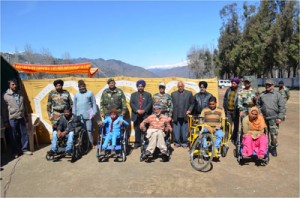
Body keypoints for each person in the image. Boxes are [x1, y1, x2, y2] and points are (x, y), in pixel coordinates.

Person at [2, 79, 32, 157]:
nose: (15, 86)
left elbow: (24, 105)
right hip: (12, 117)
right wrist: (5, 121)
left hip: (21, 116)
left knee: (24, 134)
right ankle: (15, 152)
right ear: (9, 85)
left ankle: (24, 149)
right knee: (13, 135)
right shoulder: (5, 95)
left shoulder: (20, 93)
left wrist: (26, 115)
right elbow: (4, 109)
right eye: (13, 84)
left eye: (15, 84)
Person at [257, 79, 285, 157]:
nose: (267, 86)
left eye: (269, 85)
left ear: (273, 85)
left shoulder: (277, 95)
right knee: (263, 135)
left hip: (274, 119)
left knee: (274, 135)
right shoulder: (262, 94)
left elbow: (282, 107)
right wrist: (260, 114)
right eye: (266, 84)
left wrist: (280, 117)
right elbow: (258, 105)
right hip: (263, 119)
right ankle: (263, 148)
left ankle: (273, 148)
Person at [73, 80, 97, 147]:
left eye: (83, 86)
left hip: (88, 115)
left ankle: (91, 144)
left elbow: (94, 103)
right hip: (79, 115)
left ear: (85, 86)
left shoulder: (90, 93)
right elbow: (74, 105)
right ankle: (83, 144)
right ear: (78, 87)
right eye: (80, 87)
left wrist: (94, 112)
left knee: (89, 130)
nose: (82, 88)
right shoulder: (76, 94)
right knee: (81, 130)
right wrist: (74, 113)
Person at [130, 80, 153, 149]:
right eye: (139, 86)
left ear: (144, 87)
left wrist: (144, 110)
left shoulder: (148, 95)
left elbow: (150, 103)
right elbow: (131, 103)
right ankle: (137, 142)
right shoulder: (133, 95)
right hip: (136, 114)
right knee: (137, 128)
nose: (140, 87)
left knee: (145, 129)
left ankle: (145, 142)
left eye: (142, 86)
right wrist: (137, 110)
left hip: (145, 115)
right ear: (137, 87)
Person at [171, 81, 194, 148]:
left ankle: (184, 143)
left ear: (183, 86)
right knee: (176, 131)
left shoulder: (189, 93)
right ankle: (177, 142)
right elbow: (171, 104)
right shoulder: (173, 94)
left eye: (181, 86)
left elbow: (192, 103)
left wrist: (189, 110)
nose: (180, 87)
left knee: (185, 131)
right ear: (177, 87)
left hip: (185, 115)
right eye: (179, 86)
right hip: (176, 115)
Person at [223, 77, 240, 143]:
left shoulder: (239, 91)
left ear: (237, 84)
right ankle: (228, 136)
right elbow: (225, 98)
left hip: (236, 111)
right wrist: (224, 107)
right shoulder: (228, 90)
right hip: (228, 111)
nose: (233, 84)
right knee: (228, 125)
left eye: (234, 83)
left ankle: (234, 137)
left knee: (236, 125)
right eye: (232, 83)